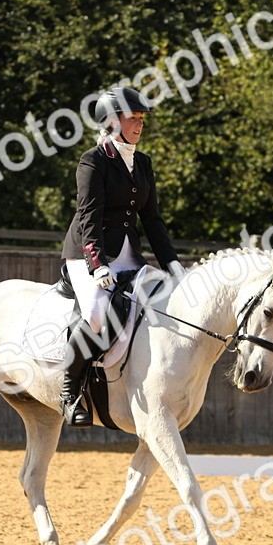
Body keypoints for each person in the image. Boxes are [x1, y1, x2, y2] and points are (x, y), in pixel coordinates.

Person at [58, 87, 186, 427]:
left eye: (142, 118)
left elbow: (152, 220)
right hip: (88, 253)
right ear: (112, 122)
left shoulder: (142, 162)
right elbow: (89, 217)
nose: (140, 124)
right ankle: (70, 392)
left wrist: (172, 264)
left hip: (129, 255)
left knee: (162, 300)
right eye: (134, 118)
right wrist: (97, 264)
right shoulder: (93, 160)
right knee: (96, 315)